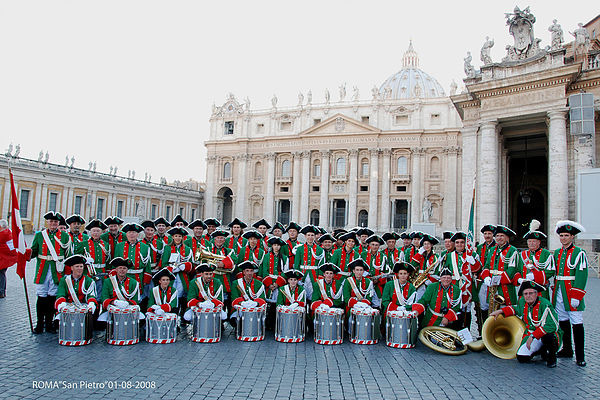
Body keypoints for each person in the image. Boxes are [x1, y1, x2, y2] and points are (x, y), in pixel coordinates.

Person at [490, 280, 560, 368]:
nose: (528, 296)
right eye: (525, 294)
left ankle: (551, 358)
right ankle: (539, 350)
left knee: (548, 337)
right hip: (531, 335)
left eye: (531, 293)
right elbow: (517, 309)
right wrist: (501, 311)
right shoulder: (523, 302)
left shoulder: (545, 305)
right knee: (521, 357)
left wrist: (533, 336)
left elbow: (551, 326)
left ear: (536, 294)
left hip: (545, 334)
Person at [29, 211, 71, 334]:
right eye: (51, 222)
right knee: (41, 296)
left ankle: (50, 323)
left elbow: (68, 255)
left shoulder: (64, 236)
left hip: (57, 270)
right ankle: (40, 323)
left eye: (55, 222)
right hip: (43, 269)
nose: (53, 224)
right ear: (47, 222)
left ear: (58, 223)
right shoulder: (40, 236)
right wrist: (25, 254)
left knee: (53, 296)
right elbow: (34, 250)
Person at [553, 220, 588, 366]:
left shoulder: (579, 253)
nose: (563, 238)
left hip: (571, 291)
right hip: (559, 289)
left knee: (577, 322)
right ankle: (567, 349)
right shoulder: (557, 252)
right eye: (561, 235)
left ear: (572, 237)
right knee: (563, 321)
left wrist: (577, 295)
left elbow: (582, 275)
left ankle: (580, 356)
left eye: (566, 235)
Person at [479, 225, 518, 320]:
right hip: (492, 287)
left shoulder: (513, 250)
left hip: (505, 287)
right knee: (489, 310)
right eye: (497, 236)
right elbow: (487, 266)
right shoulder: (492, 250)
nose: (499, 238)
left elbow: (512, 270)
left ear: (507, 238)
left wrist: (499, 280)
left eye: (502, 236)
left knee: (505, 311)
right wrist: (486, 277)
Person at [512, 223, 554, 300]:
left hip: (540, 289)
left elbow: (550, 271)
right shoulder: (523, 254)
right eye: (529, 241)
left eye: (534, 241)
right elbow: (517, 270)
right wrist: (519, 279)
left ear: (539, 242)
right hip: (525, 289)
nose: (531, 243)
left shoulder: (546, 254)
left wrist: (535, 276)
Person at [161, 227, 193, 325]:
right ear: (173, 237)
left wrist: (184, 266)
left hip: (182, 277)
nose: (178, 238)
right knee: (171, 297)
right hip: (171, 277)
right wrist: (172, 268)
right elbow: (164, 263)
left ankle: (182, 317)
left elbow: (191, 264)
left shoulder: (187, 249)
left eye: (180, 236)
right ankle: (172, 318)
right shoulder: (167, 248)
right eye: (176, 236)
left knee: (182, 297)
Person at [75, 219, 109, 301]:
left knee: (100, 296)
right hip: (89, 273)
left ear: (101, 232)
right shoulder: (83, 244)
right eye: (93, 231)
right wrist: (85, 261)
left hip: (102, 272)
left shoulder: (106, 245)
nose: (95, 233)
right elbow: (78, 259)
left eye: (98, 231)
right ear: (90, 232)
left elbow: (108, 260)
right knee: (88, 294)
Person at [294, 225, 324, 300]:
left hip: (314, 275)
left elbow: (321, 265)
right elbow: (297, 264)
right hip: (303, 273)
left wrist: (319, 277)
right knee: (301, 294)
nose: (310, 237)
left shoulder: (320, 250)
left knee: (313, 294)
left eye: (312, 235)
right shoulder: (300, 249)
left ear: (315, 236)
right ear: (305, 236)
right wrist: (297, 277)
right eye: (308, 235)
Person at [361, 234, 388, 303]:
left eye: (376, 245)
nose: (374, 247)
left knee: (377, 303)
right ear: (369, 245)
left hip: (378, 285)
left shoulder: (383, 256)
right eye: (372, 244)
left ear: (379, 246)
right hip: (365, 283)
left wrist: (378, 279)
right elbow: (359, 269)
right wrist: (368, 279)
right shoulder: (363, 255)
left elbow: (386, 271)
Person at [0, 219, 18, 298]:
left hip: (3, 258)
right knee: (2, 274)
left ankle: (1, 291)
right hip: (5, 258)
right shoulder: (9, 233)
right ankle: (2, 291)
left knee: (1, 274)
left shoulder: (3, 234)